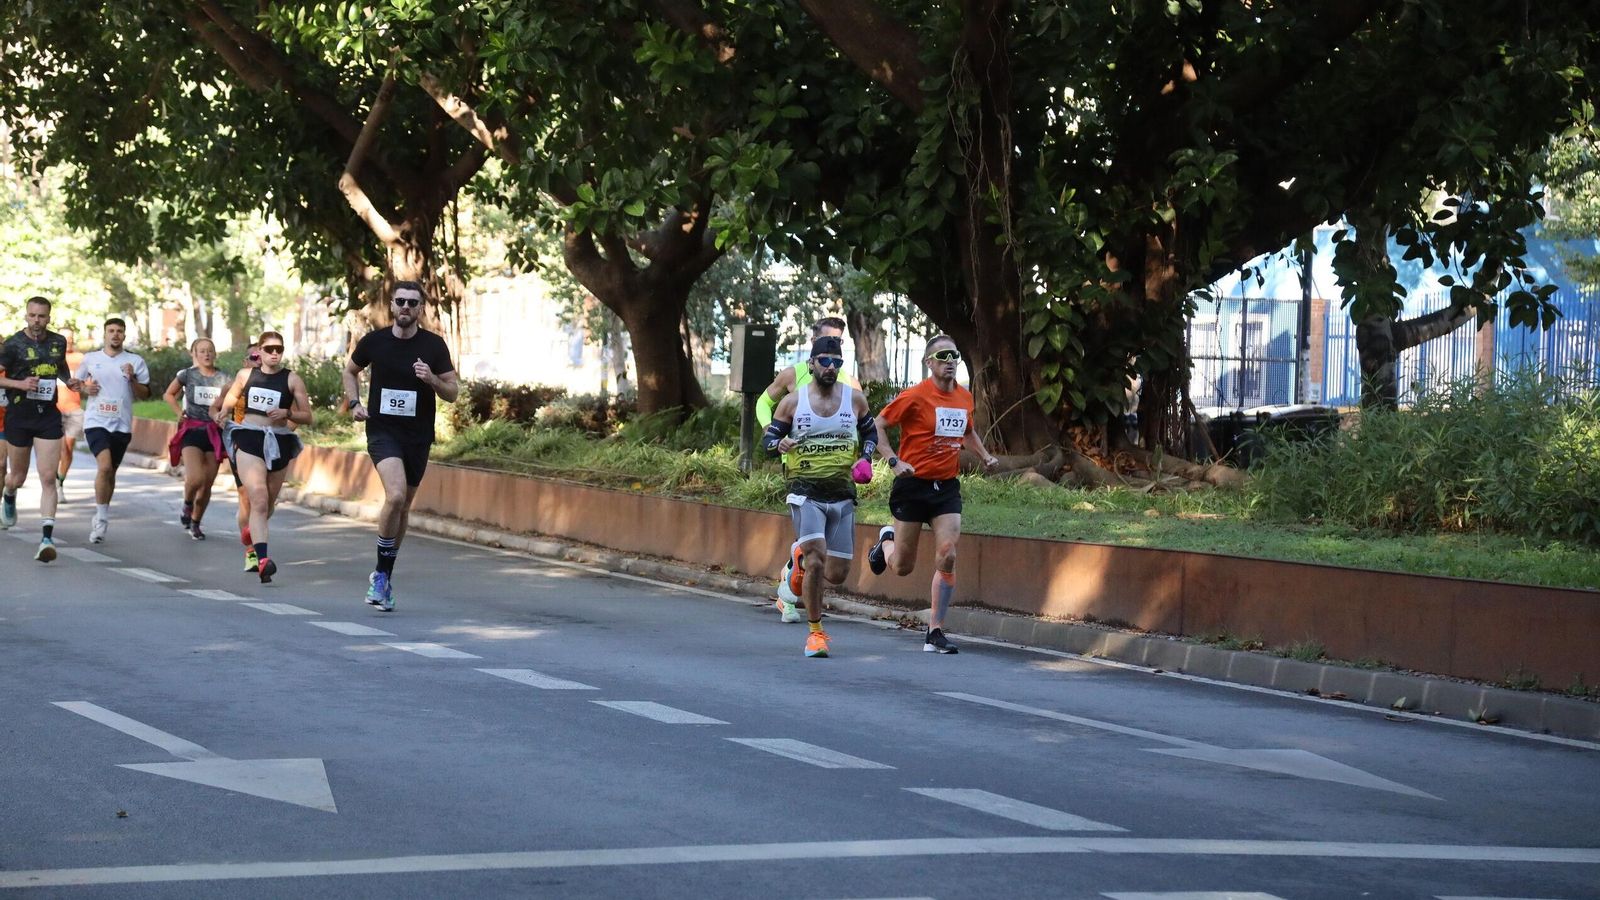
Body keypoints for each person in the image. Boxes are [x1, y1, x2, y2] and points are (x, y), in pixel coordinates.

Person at [867, 335, 1000, 654]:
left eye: (954, 355)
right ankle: (886, 543)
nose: (950, 360)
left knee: (948, 552)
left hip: (945, 487)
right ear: (929, 363)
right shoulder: (914, 396)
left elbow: (967, 431)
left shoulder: (965, 398)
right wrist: (894, 461)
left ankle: (935, 632)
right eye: (943, 356)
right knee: (902, 566)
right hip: (912, 486)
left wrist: (984, 456)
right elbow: (877, 425)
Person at [342, 280, 459, 612]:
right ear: (391, 306)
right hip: (383, 431)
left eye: (412, 303)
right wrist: (354, 404)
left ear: (421, 309)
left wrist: (433, 379)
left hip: (418, 436)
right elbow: (350, 372)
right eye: (400, 302)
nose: (406, 308)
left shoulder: (434, 346)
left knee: (404, 506)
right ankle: (380, 575)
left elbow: (453, 392)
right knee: (394, 496)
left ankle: (384, 575)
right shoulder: (374, 342)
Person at [762, 334, 875, 658]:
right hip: (805, 492)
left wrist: (866, 456)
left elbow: (869, 431)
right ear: (811, 364)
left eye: (836, 362)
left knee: (836, 574)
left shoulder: (854, 400)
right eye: (823, 361)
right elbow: (768, 441)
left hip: (842, 493)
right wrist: (779, 445)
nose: (829, 366)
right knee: (816, 559)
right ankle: (815, 633)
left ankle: (797, 562)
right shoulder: (793, 402)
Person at [756, 316, 858, 623]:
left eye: (838, 343)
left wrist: (860, 458)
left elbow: (857, 424)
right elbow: (763, 402)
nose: (832, 351)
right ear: (813, 348)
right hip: (799, 469)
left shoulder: (848, 384)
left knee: (829, 561)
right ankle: (795, 588)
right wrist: (773, 436)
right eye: (827, 342)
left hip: (837, 477)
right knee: (815, 549)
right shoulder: (793, 374)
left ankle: (801, 560)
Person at [215, 331, 312, 583]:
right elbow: (233, 395)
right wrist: (224, 411)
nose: (274, 353)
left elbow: (307, 416)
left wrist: (287, 413)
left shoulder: (292, 380)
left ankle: (251, 532)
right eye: (269, 349)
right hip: (248, 437)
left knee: (267, 505)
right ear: (259, 350)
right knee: (257, 497)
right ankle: (263, 560)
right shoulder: (246, 375)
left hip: (279, 441)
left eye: (279, 349)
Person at [0, 296, 81, 561]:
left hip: (47, 415)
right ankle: (9, 493)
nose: (37, 321)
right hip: (19, 416)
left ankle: (47, 538)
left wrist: (72, 384)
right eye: (33, 316)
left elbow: (61, 370)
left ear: (49, 317)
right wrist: (20, 384)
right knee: (18, 477)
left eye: (42, 316)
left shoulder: (58, 342)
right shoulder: (12, 345)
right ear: (26, 316)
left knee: (48, 478)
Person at [74, 318, 151, 543]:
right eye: (111, 331)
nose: (115, 335)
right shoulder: (91, 359)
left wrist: (132, 378)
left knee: (111, 472)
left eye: (119, 331)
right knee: (105, 466)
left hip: (122, 423)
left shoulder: (135, 361)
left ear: (124, 335)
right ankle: (101, 519)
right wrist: (86, 388)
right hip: (96, 421)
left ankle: (103, 512)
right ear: (105, 334)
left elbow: (145, 393)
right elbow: (75, 384)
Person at [165, 337, 229, 540]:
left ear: (215, 354)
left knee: (208, 482)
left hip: (214, 433)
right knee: (195, 478)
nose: (207, 354)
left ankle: (196, 522)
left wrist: (224, 415)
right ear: (195, 354)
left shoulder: (224, 378)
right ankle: (187, 502)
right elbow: (169, 394)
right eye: (202, 351)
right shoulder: (187, 375)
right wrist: (178, 412)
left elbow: (231, 401)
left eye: (210, 351)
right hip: (192, 429)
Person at [211, 343, 263, 571]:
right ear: (245, 362)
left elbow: (295, 412)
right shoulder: (234, 386)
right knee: (246, 497)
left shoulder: (283, 384)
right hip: (241, 444)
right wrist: (219, 418)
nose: (259, 361)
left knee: (264, 500)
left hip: (269, 445)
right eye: (254, 356)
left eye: (264, 356)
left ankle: (254, 530)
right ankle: (252, 551)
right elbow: (215, 409)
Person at [55, 330, 84, 503]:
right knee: (60, 449)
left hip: (74, 410)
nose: (68, 341)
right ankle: (54, 484)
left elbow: (88, 381)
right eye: (65, 338)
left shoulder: (80, 358)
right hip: (54, 410)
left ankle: (60, 483)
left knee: (69, 448)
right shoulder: (51, 357)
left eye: (70, 338)